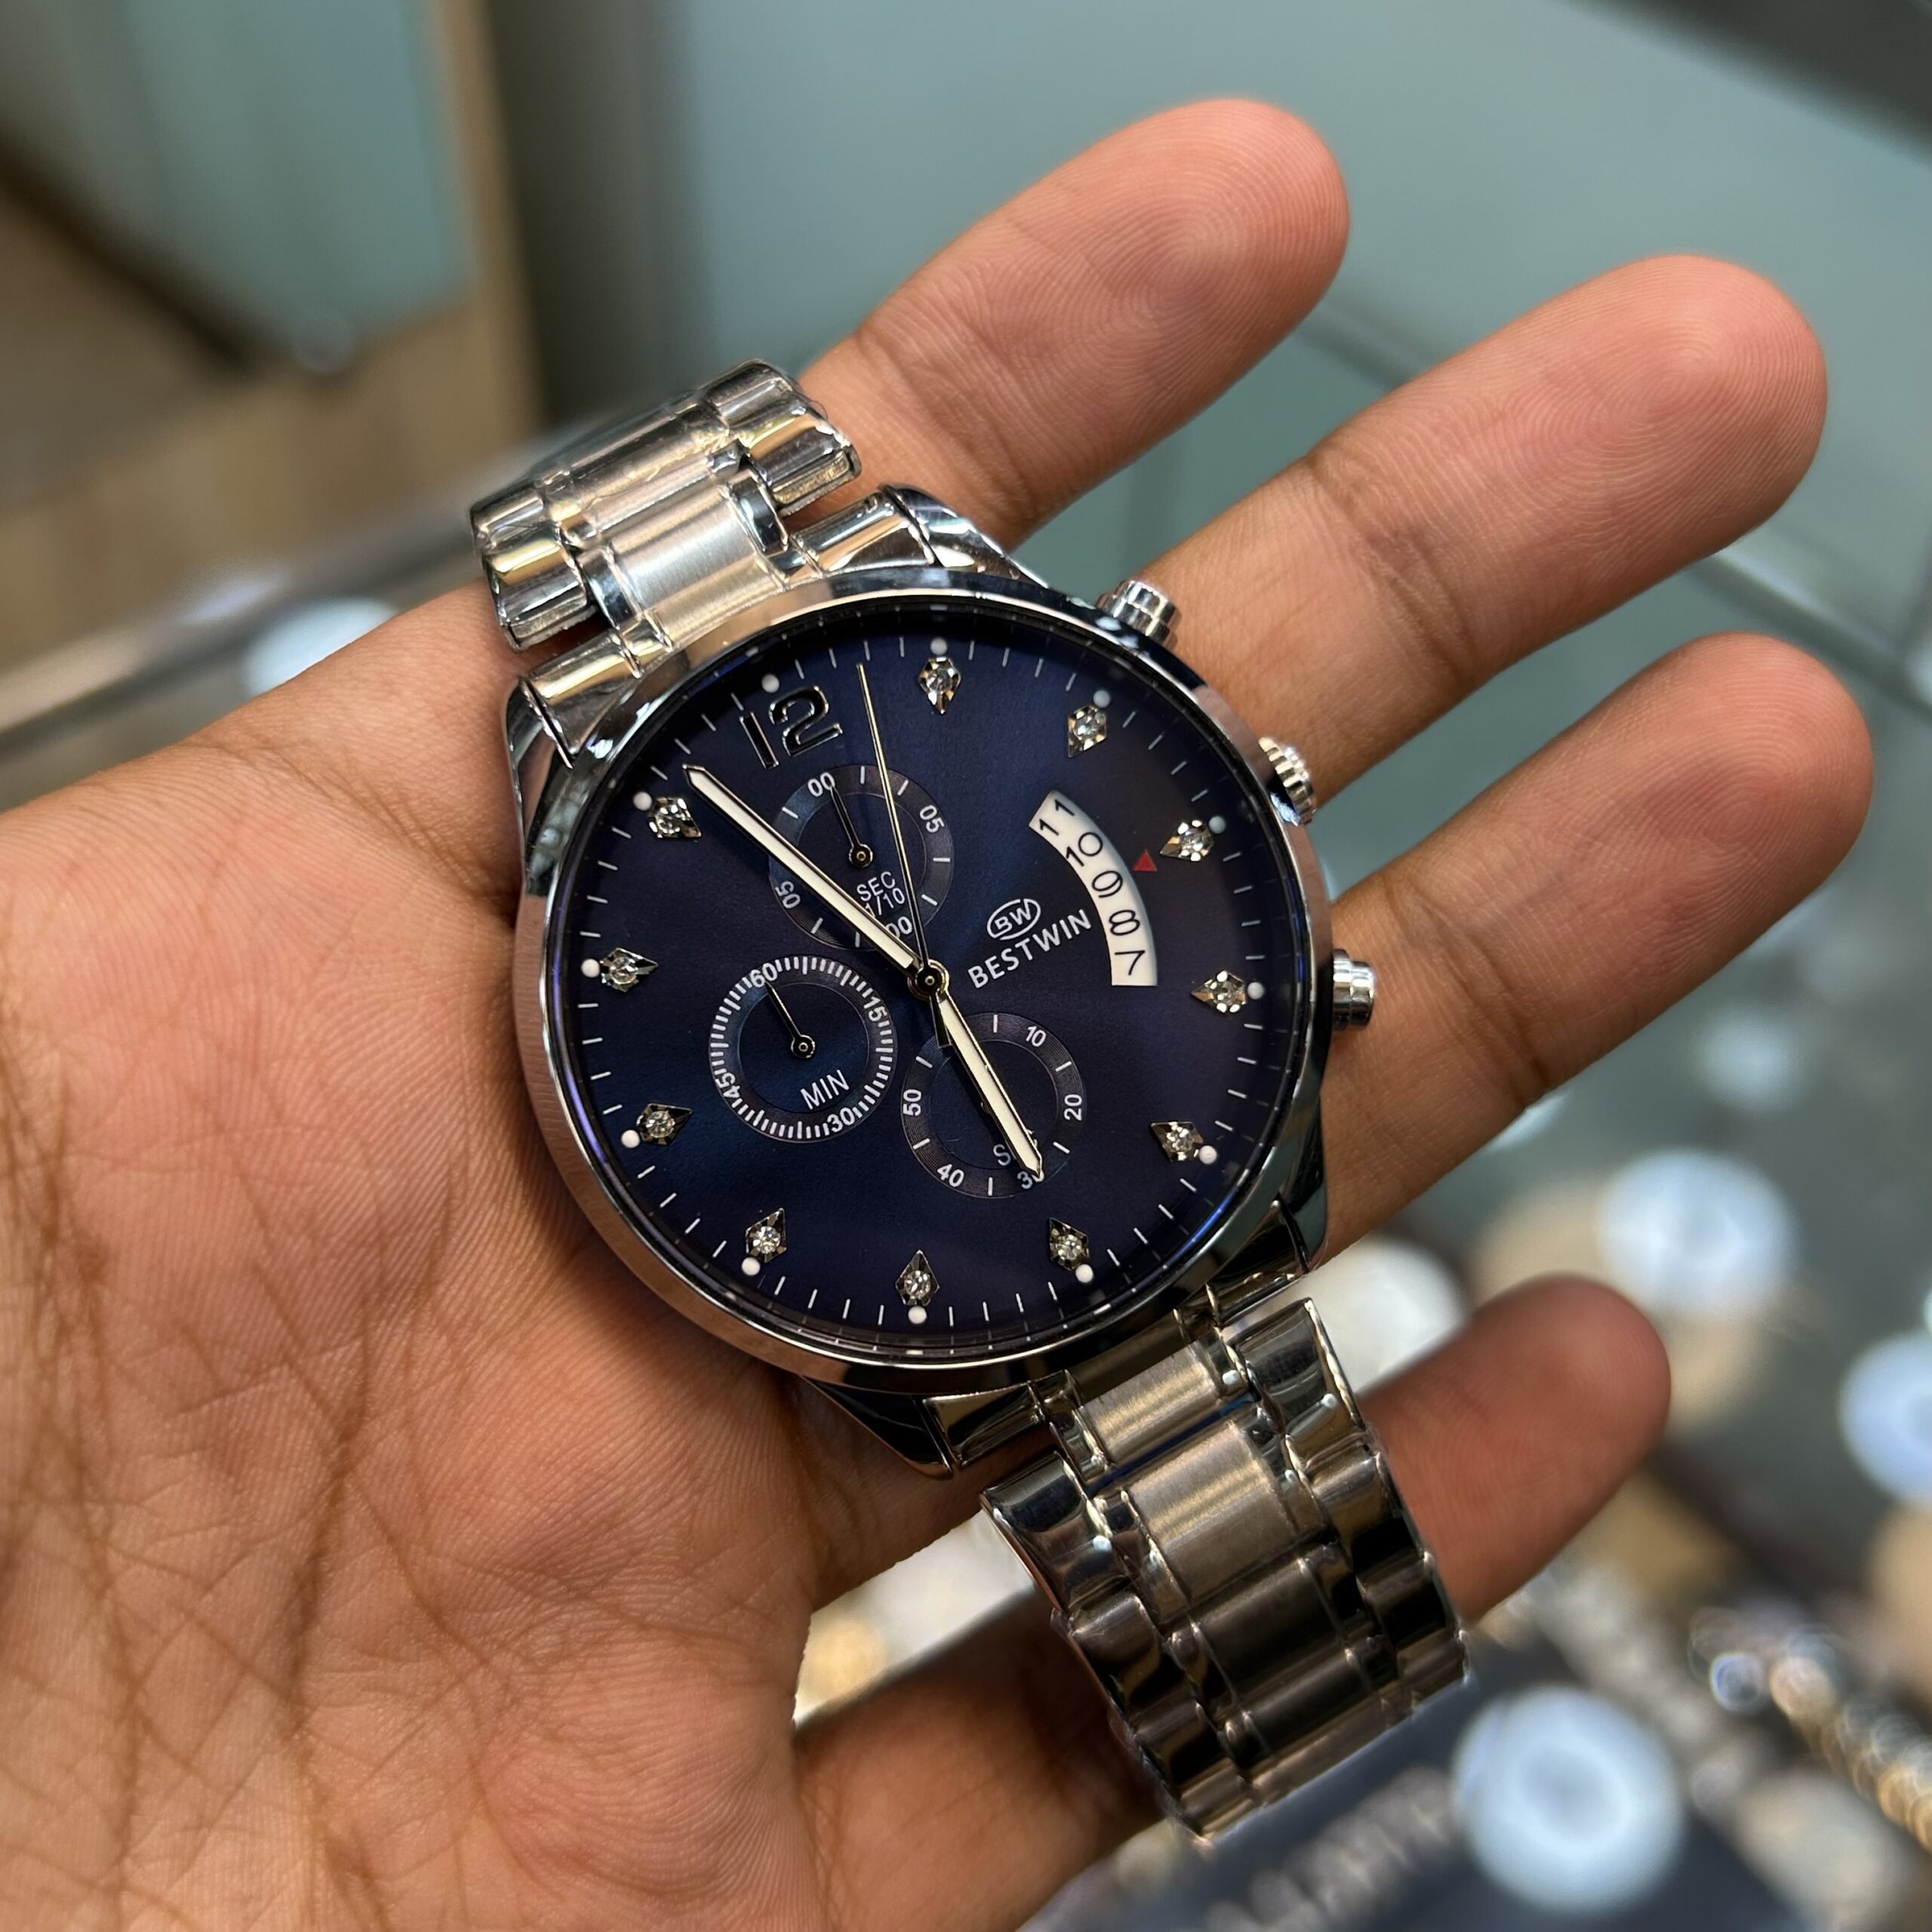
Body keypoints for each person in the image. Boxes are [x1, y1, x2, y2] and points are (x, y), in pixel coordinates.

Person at [0, 102, 1869, 1929]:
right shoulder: (631, 973)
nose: (915, 972)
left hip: (1132, 1191)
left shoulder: (1051, 742)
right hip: (976, 1275)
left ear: (1261, 796)